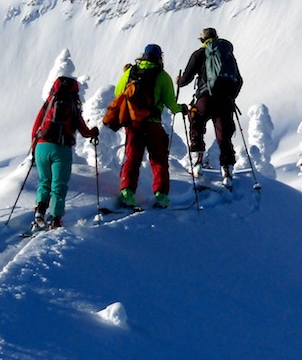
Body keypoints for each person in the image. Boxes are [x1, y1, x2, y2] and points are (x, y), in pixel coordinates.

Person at [105, 44, 186, 209]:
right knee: (159, 160)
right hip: (153, 124)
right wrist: (182, 108)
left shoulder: (131, 72)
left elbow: (118, 93)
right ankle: (161, 196)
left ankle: (127, 193)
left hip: (134, 124)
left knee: (132, 158)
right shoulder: (163, 76)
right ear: (159, 57)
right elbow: (171, 103)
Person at [177, 27, 243, 188]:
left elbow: (186, 78)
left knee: (196, 120)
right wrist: (230, 97)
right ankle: (227, 169)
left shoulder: (199, 54)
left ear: (202, 40)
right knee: (224, 135)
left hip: (205, 98)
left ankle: (198, 158)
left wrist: (179, 81)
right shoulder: (227, 54)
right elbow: (239, 80)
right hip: (225, 100)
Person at [30, 75, 99, 230]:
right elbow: (83, 130)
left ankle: (39, 213)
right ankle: (55, 219)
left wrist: (34, 148)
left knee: (44, 181)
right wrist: (93, 132)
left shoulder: (49, 103)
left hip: (42, 146)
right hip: (61, 149)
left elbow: (37, 125)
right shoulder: (73, 105)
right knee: (59, 185)